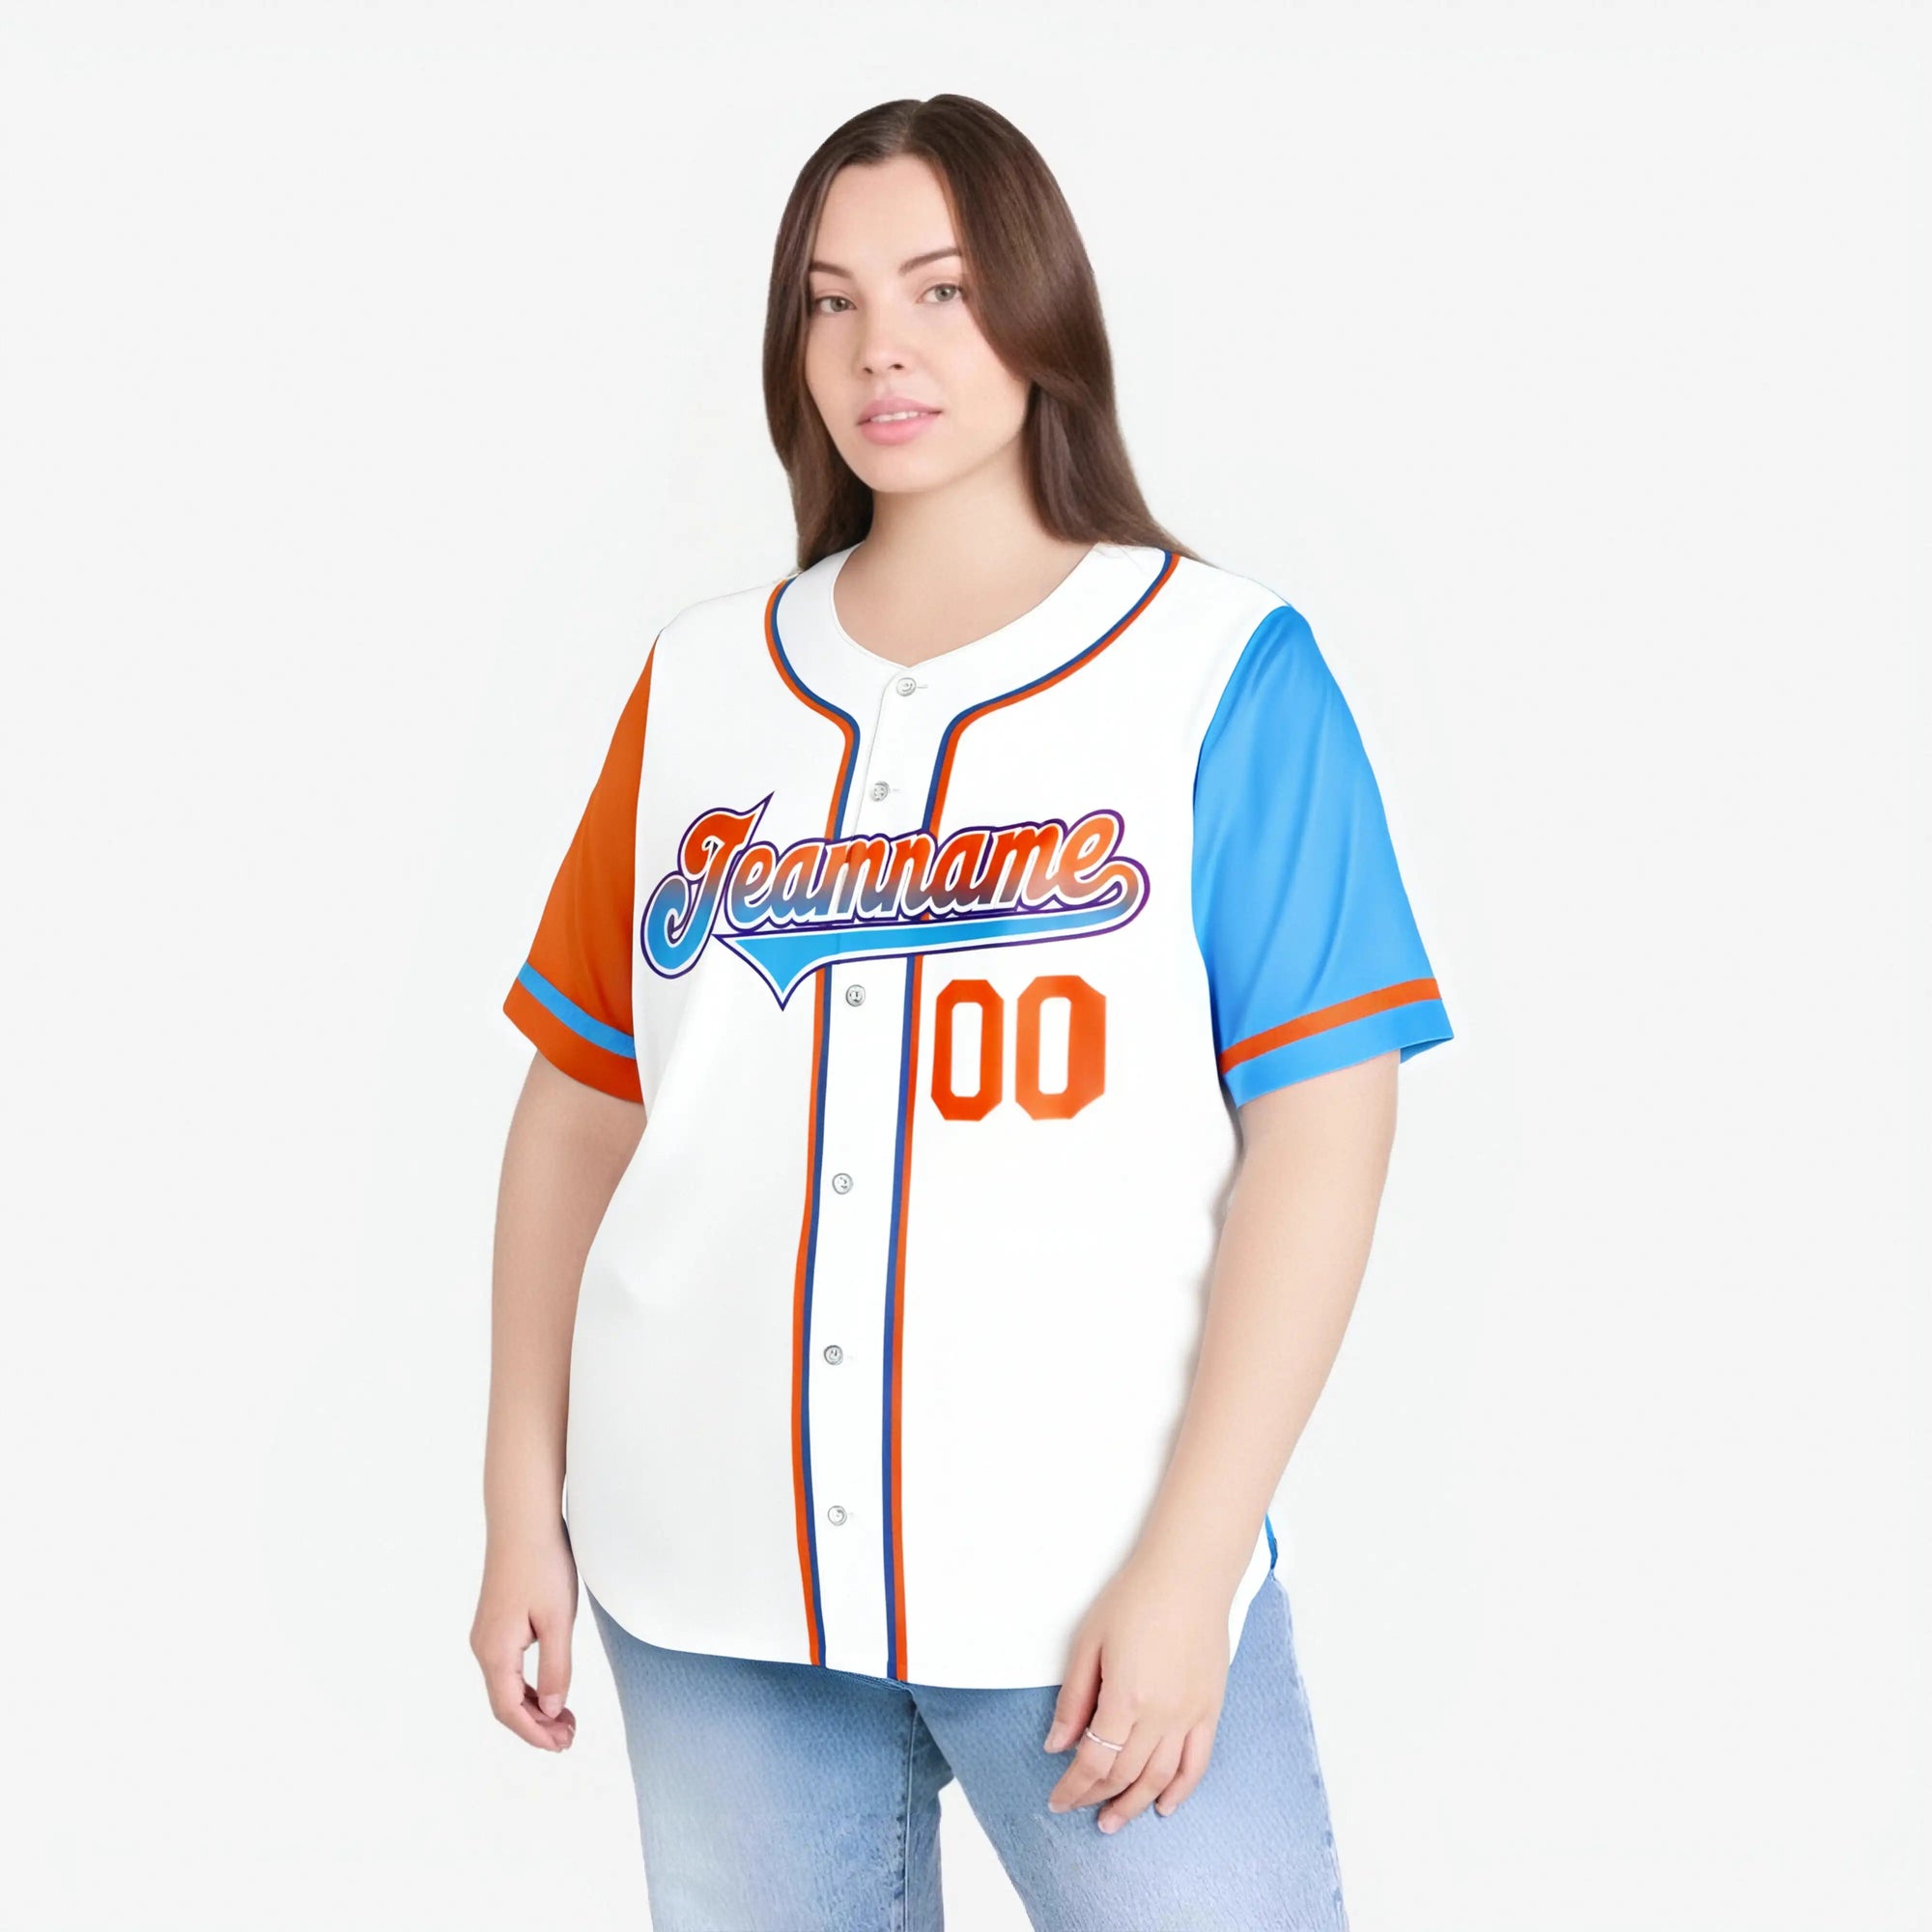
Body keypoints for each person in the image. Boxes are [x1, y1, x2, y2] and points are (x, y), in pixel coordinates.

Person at [471, 93, 1453, 1932]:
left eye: (939, 288)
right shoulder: (701, 684)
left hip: (1092, 1583)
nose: (882, 349)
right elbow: (578, 1107)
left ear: (1040, 308)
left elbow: (1328, 1132)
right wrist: (523, 1493)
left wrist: (1191, 1566)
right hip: (707, 1577)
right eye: (831, 302)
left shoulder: (1218, 668)